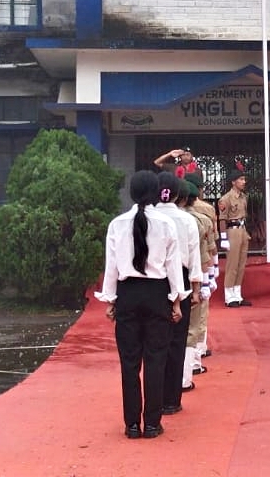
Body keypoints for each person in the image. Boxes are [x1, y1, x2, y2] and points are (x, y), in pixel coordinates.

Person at [96, 170, 185, 440]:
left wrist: (110, 299)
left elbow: (111, 267)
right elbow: (173, 265)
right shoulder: (166, 224)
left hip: (128, 294)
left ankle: (132, 424)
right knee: (156, 360)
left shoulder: (117, 224)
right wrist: (177, 300)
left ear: (132, 193)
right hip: (157, 293)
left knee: (129, 361)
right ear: (158, 192)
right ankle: (153, 424)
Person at [154, 172, 202, 414]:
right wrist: (195, 289)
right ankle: (172, 399)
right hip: (181, 278)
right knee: (176, 339)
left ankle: (154, 397)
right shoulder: (186, 220)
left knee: (154, 341)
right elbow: (194, 257)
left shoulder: (147, 217)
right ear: (177, 195)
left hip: (154, 279)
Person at [182, 180, 216, 379]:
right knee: (195, 321)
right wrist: (208, 278)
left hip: (171, 276)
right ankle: (193, 364)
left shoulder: (166, 219)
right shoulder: (203, 219)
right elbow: (210, 252)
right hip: (196, 274)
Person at [217, 167, 252, 307]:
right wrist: (223, 237)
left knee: (241, 264)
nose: (244, 182)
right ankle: (229, 296)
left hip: (242, 230)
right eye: (241, 179)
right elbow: (222, 220)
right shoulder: (225, 199)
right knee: (232, 264)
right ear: (233, 182)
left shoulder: (244, 197)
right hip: (232, 230)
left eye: (244, 179)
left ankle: (237, 294)